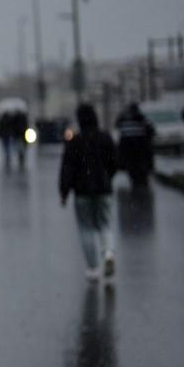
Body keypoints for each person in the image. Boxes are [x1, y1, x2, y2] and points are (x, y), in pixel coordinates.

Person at [59, 104, 119, 281]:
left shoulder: (75, 142)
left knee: (86, 228)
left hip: (82, 191)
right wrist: (107, 177)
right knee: (105, 224)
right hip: (104, 188)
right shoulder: (105, 138)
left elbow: (67, 168)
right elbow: (115, 162)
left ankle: (93, 268)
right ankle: (108, 252)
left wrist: (64, 192)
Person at [114, 102, 155, 188]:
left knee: (131, 166)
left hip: (127, 148)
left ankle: (134, 182)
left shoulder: (123, 118)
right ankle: (141, 183)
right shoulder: (141, 117)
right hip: (140, 147)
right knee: (141, 166)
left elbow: (117, 125)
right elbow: (151, 129)